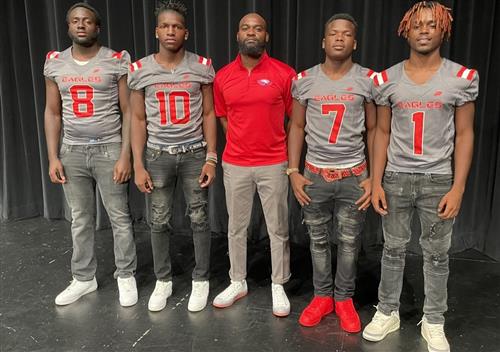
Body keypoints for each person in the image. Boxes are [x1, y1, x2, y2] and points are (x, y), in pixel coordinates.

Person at [362, 2, 478, 351]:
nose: (424, 30)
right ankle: (388, 311)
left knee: (437, 254)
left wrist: (458, 187)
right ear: (406, 31)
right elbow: (381, 132)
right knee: (393, 249)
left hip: (437, 179)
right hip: (396, 177)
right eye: (417, 25)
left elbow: (465, 134)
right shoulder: (386, 79)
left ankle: (434, 319)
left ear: (443, 30)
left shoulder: (461, 77)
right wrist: (376, 180)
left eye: (432, 24)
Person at [44, 2, 137, 307]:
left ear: (97, 27)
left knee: (120, 218)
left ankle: (126, 275)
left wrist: (126, 155)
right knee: (80, 219)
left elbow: (128, 110)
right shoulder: (56, 63)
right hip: (72, 150)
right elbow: (53, 112)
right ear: (68, 27)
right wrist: (53, 156)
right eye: (75, 21)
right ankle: (84, 278)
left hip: (109, 147)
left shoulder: (115, 60)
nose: (81, 25)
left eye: (87, 21)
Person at [288, 14, 375, 332]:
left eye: (347, 34)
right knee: (318, 240)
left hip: (353, 175)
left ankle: (344, 299)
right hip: (315, 176)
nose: (339, 38)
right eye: (333, 34)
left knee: (350, 241)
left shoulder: (368, 80)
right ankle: (323, 296)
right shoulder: (305, 79)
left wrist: (373, 177)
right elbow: (296, 126)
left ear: (355, 42)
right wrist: (293, 171)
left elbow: (377, 129)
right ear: (324, 42)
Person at [128, 0, 216, 313]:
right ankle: (163, 280)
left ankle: (201, 279)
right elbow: (137, 120)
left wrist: (211, 157)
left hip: (193, 152)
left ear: (186, 32)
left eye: (176, 26)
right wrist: (138, 164)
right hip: (158, 154)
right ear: (156, 31)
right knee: (159, 219)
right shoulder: (140, 69)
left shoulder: (202, 65)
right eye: (165, 26)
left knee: (199, 217)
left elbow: (209, 113)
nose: (170, 31)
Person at [212, 13, 296, 317]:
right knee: (236, 227)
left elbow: (294, 118)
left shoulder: (284, 74)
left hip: (274, 162)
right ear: (237, 35)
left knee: (278, 228)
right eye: (246, 28)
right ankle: (238, 281)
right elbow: (223, 118)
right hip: (235, 163)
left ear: (266, 37)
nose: (252, 32)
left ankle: (278, 284)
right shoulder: (222, 76)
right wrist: (240, 143)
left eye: (258, 28)